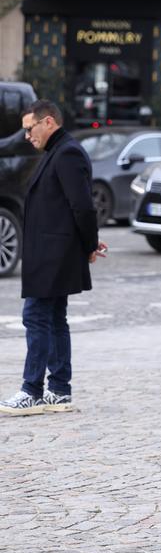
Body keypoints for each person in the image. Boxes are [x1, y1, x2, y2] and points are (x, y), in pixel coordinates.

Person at [0, 100, 107, 416]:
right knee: (54, 318)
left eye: (29, 128)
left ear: (48, 122)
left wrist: (88, 244)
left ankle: (32, 390)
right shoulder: (56, 153)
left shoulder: (67, 153)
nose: (26, 136)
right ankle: (59, 390)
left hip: (54, 255)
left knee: (36, 316)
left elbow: (83, 206)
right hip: (52, 252)